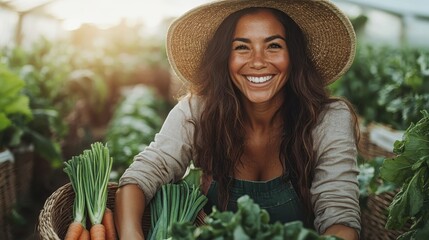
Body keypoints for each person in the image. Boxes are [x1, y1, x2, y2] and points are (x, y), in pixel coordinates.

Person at [115, 0, 361, 239]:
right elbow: (142, 176)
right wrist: (130, 234)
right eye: (242, 47)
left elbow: (341, 221)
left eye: (273, 46)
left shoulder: (327, 119)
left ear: (294, 55)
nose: (257, 62)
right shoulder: (198, 111)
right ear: (225, 57)